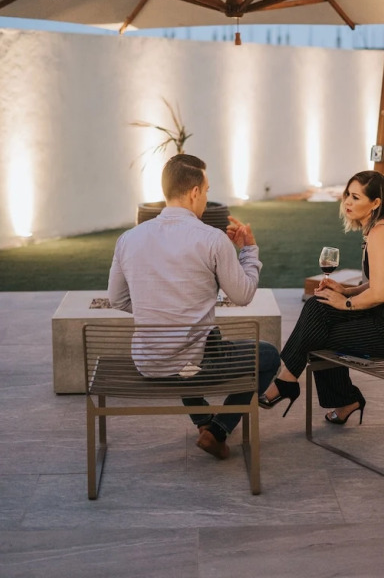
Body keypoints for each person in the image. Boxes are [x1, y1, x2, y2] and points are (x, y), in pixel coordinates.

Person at [108, 153, 279, 460]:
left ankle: (203, 422)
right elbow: (243, 295)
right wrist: (249, 250)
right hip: (192, 363)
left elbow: (117, 299)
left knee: (191, 343)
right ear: (195, 192)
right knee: (267, 355)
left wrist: (160, 308)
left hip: (148, 361)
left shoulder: (128, 239)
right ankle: (219, 430)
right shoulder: (212, 239)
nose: (206, 198)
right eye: (207, 190)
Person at [259, 170, 384, 424]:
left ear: (375, 203)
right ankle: (293, 383)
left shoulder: (381, 233)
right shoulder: (378, 230)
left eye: (356, 197)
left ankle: (297, 385)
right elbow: (379, 283)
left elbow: (380, 293)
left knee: (316, 334)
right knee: (320, 304)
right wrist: (345, 291)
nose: (347, 201)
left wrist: (346, 303)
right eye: (347, 194)